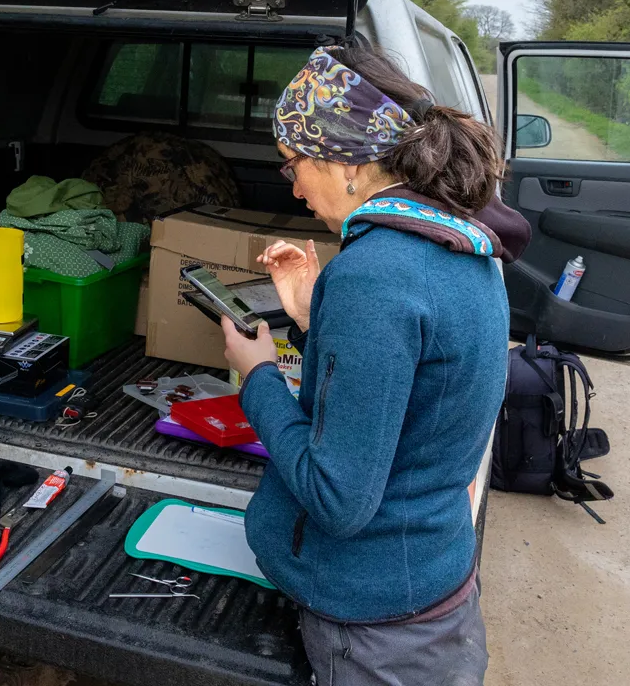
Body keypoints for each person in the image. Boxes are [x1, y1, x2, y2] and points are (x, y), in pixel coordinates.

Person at [220, 44, 529, 686]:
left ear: (345, 161)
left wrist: (258, 376)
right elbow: (416, 388)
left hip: (373, 625)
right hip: (428, 580)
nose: (294, 188)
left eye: (293, 165)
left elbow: (337, 498)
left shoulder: (373, 276)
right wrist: (315, 320)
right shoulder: (460, 241)